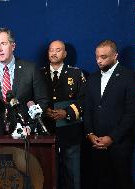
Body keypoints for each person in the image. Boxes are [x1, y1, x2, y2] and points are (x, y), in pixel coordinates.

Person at [84, 40, 135, 189]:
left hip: (120, 144)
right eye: (97, 56)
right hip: (95, 143)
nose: (99, 60)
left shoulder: (130, 77)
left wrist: (112, 138)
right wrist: (90, 134)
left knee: (122, 182)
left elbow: (132, 113)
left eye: (104, 57)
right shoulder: (92, 78)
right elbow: (88, 109)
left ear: (115, 56)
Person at [43, 40, 86, 189]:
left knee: (72, 174)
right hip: (45, 130)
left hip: (70, 130)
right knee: (47, 173)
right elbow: (32, 98)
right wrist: (44, 110)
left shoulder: (76, 73)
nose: (54, 53)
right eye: (51, 50)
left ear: (65, 54)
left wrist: (66, 112)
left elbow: (84, 99)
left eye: (58, 50)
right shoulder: (39, 73)